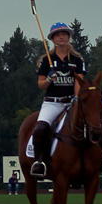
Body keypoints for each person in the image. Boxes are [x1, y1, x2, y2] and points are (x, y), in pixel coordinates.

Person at [28, 22, 86, 178]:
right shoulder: (47, 60)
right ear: (52, 39)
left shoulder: (77, 59)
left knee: (94, 125)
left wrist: (76, 99)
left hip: (71, 102)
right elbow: (41, 85)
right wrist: (49, 79)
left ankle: (99, 160)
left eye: (64, 34)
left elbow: (79, 82)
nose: (61, 37)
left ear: (68, 37)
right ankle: (39, 162)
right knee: (40, 129)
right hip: (52, 103)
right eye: (58, 35)